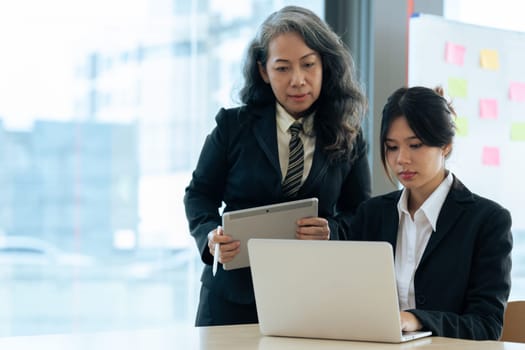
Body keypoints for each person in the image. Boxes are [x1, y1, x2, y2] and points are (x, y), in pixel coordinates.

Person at [184, 5, 371, 326]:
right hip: (231, 297)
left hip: (312, 295)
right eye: (282, 68)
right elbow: (199, 195)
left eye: (308, 65)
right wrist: (210, 238)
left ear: (325, 64)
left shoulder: (348, 135)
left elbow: (361, 213)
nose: (297, 80)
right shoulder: (233, 126)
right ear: (263, 71)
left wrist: (334, 231)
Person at [346, 86, 512, 340]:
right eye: (391, 147)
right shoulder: (371, 215)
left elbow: (486, 326)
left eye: (415, 145)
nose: (401, 159)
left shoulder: (488, 221)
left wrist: (417, 319)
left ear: (445, 145)